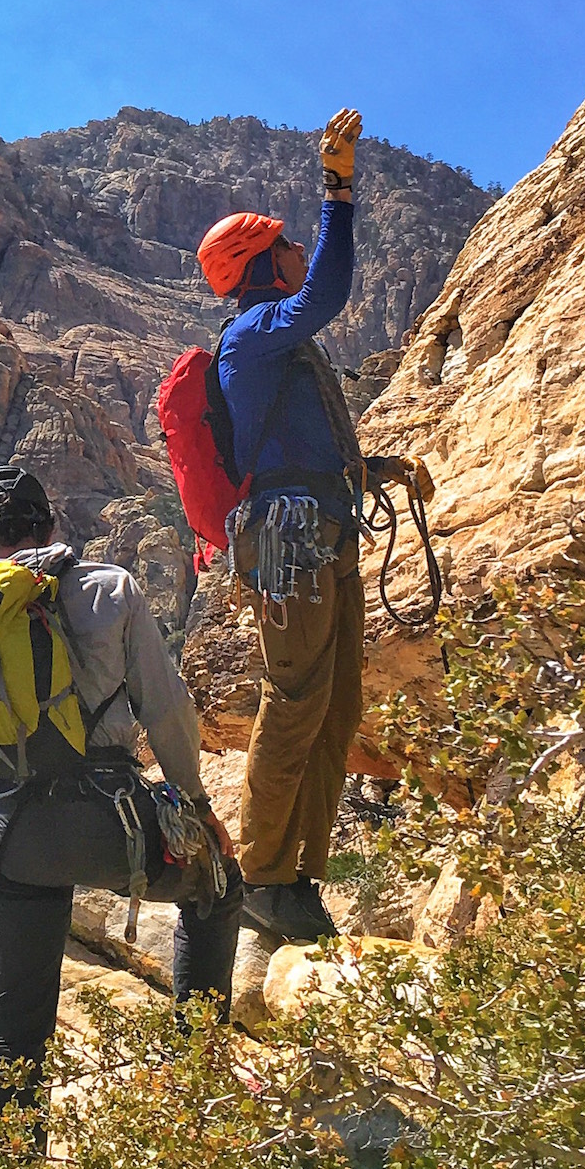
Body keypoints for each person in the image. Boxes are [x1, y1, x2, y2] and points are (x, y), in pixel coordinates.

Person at [0, 464, 242, 1169]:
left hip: (18, 840)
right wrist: (199, 811)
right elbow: (166, 714)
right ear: (51, 523)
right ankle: (196, 1101)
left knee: (15, 1032)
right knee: (219, 889)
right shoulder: (110, 592)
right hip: (114, 827)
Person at [196, 107, 385, 947]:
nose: (297, 250)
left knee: (335, 704)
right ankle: (265, 877)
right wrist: (336, 191)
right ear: (261, 264)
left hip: (320, 527)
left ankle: (297, 875)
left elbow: (301, 446)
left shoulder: (280, 342)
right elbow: (330, 291)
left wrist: (373, 472)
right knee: (296, 697)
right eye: (286, 243)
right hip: (294, 540)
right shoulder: (254, 333)